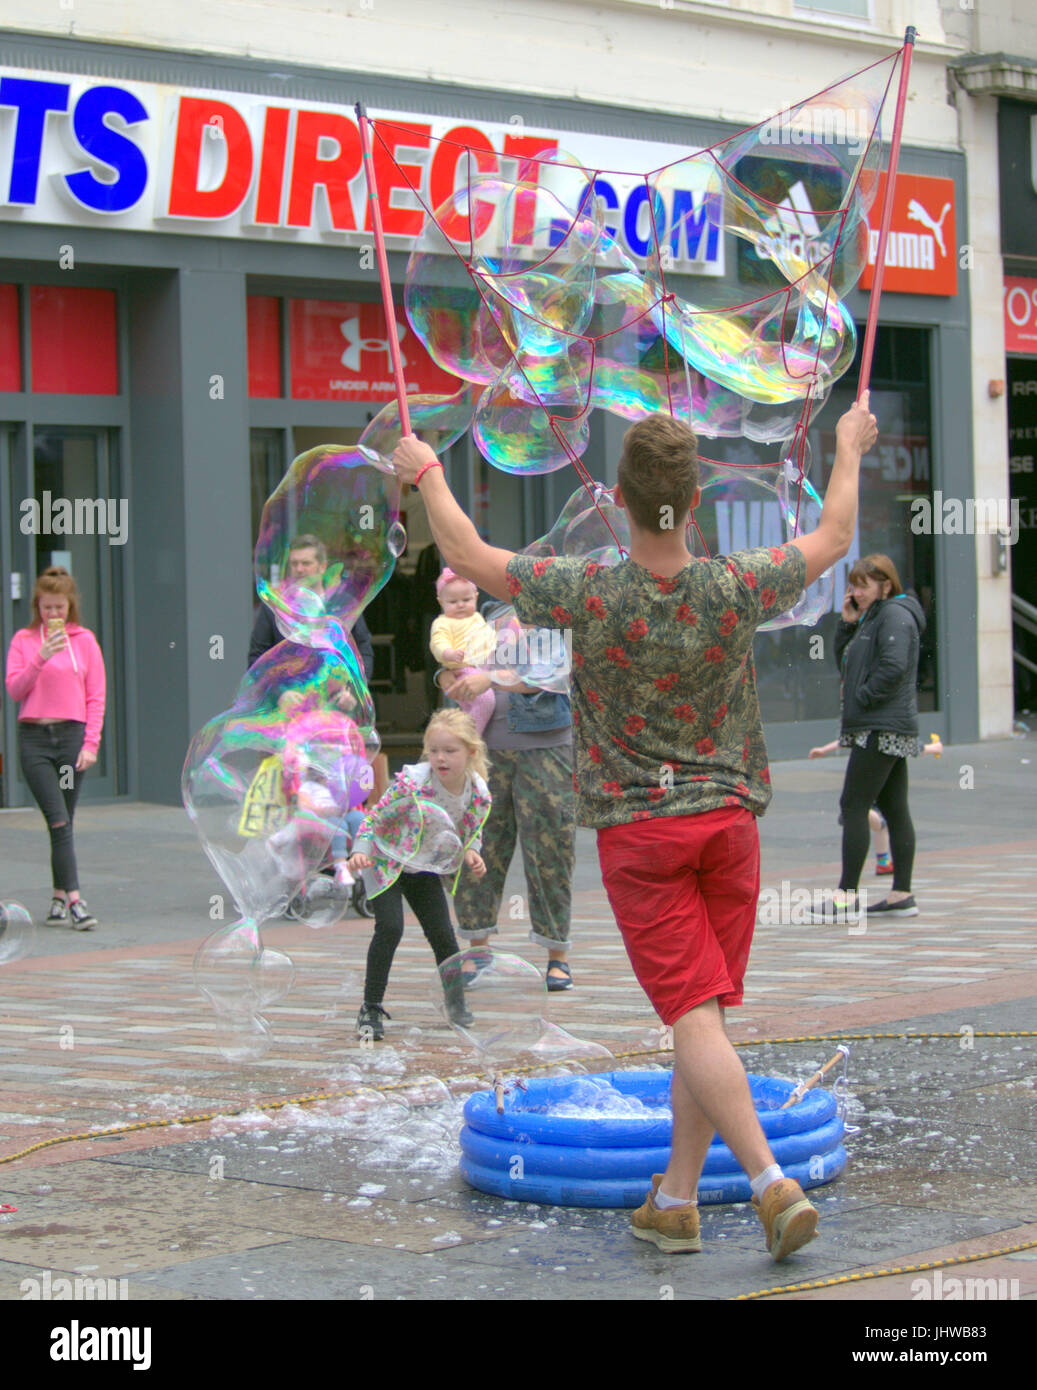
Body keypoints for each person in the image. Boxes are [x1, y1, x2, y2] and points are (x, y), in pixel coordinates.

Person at [392, 392, 877, 1260]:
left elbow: (465, 552)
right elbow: (837, 537)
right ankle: (678, 1200)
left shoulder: (589, 589)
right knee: (706, 1016)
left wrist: (425, 470)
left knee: (692, 1014)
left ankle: (771, 1185)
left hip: (644, 839)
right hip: (730, 827)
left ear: (616, 499)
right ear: (693, 504)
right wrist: (846, 445)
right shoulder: (735, 584)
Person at [348, 709, 491, 1041]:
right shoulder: (414, 780)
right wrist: (361, 849)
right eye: (434, 750)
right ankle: (370, 1008)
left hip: (424, 864)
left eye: (450, 751)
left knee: (443, 934)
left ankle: (456, 1003)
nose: (440, 758)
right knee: (391, 927)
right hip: (386, 860)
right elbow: (376, 815)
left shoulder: (478, 791)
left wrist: (472, 851)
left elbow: (472, 829)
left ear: (471, 753)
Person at [443, 641, 576, 991]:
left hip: (546, 747)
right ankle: (476, 947)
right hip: (485, 749)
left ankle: (557, 955)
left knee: (551, 851)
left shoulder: (552, 612)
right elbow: (452, 670)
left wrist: (488, 679)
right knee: (477, 845)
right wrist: (447, 675)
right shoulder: (484, 614)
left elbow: (551, 676)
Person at [809, 555, 927, 921]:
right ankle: (901, 894)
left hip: (880, 727)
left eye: (863, 585)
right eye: (853, 585)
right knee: (893, 808)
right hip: (884, 725)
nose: (855, 592)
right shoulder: (873, 617)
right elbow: (846, 663)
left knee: (853, 806)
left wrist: (864, 698)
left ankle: (846, 899)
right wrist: (847, 625)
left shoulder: (893, 615)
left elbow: (895, 666)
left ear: (885, 585)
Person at [4, 567, 107, 930]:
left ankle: (59, 897)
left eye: (59, 608)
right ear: (37, 607)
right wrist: (41, 656)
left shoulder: (85, 641)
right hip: (35, 740)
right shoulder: (24, 640)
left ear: (70, 606)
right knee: (58, 818)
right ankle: (77, 901)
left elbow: (95, 696)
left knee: (63, 821)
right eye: (47, 608)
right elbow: (15, 689)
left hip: (70, 738)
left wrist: (90, 744)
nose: (53, 615)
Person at [809, 735, 942, 878]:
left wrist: (824, 750)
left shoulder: (865, 732)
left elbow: (846, 739)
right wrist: (935, 748)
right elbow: (912, 747)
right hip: (875, 792)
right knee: (876, 820)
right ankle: (880, 860)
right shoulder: (889, 735)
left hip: (860, 786)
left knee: (878, 824)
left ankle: (882, 862)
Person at [247, 533, 374, 679]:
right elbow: (256, 658)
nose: (299, 569)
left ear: (322, 566)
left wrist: (353, 689)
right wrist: (281, 695)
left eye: (306, 563)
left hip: (336, 698)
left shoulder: (344, 603)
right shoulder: (275, 608)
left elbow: (363, 649)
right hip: (288, 699)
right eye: (294, 564)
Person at [429, 569, 497, 734]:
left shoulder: (477, 617)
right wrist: (448, 653)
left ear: (476, 596)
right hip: (465, 669)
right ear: (441, 602)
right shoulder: (443, 623)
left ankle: (465, 734)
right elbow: (438, 642)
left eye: (466, 599)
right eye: (453, 602)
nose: (460, 605)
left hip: (483, 667)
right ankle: (471, 736)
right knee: (485, 701)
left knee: (471, 707)